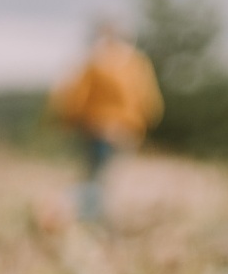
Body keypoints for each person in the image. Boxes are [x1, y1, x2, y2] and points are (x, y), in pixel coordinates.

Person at [49, 22, 163, 221]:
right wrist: (141, 124)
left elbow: (76, 99)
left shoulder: (94, 63)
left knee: (95, 177)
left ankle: (78, 212)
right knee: (113, 179)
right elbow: (149, 101)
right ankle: (100, 219)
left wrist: (69, 122)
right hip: (126, 131)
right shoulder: (137, 63)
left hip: (97, 129)